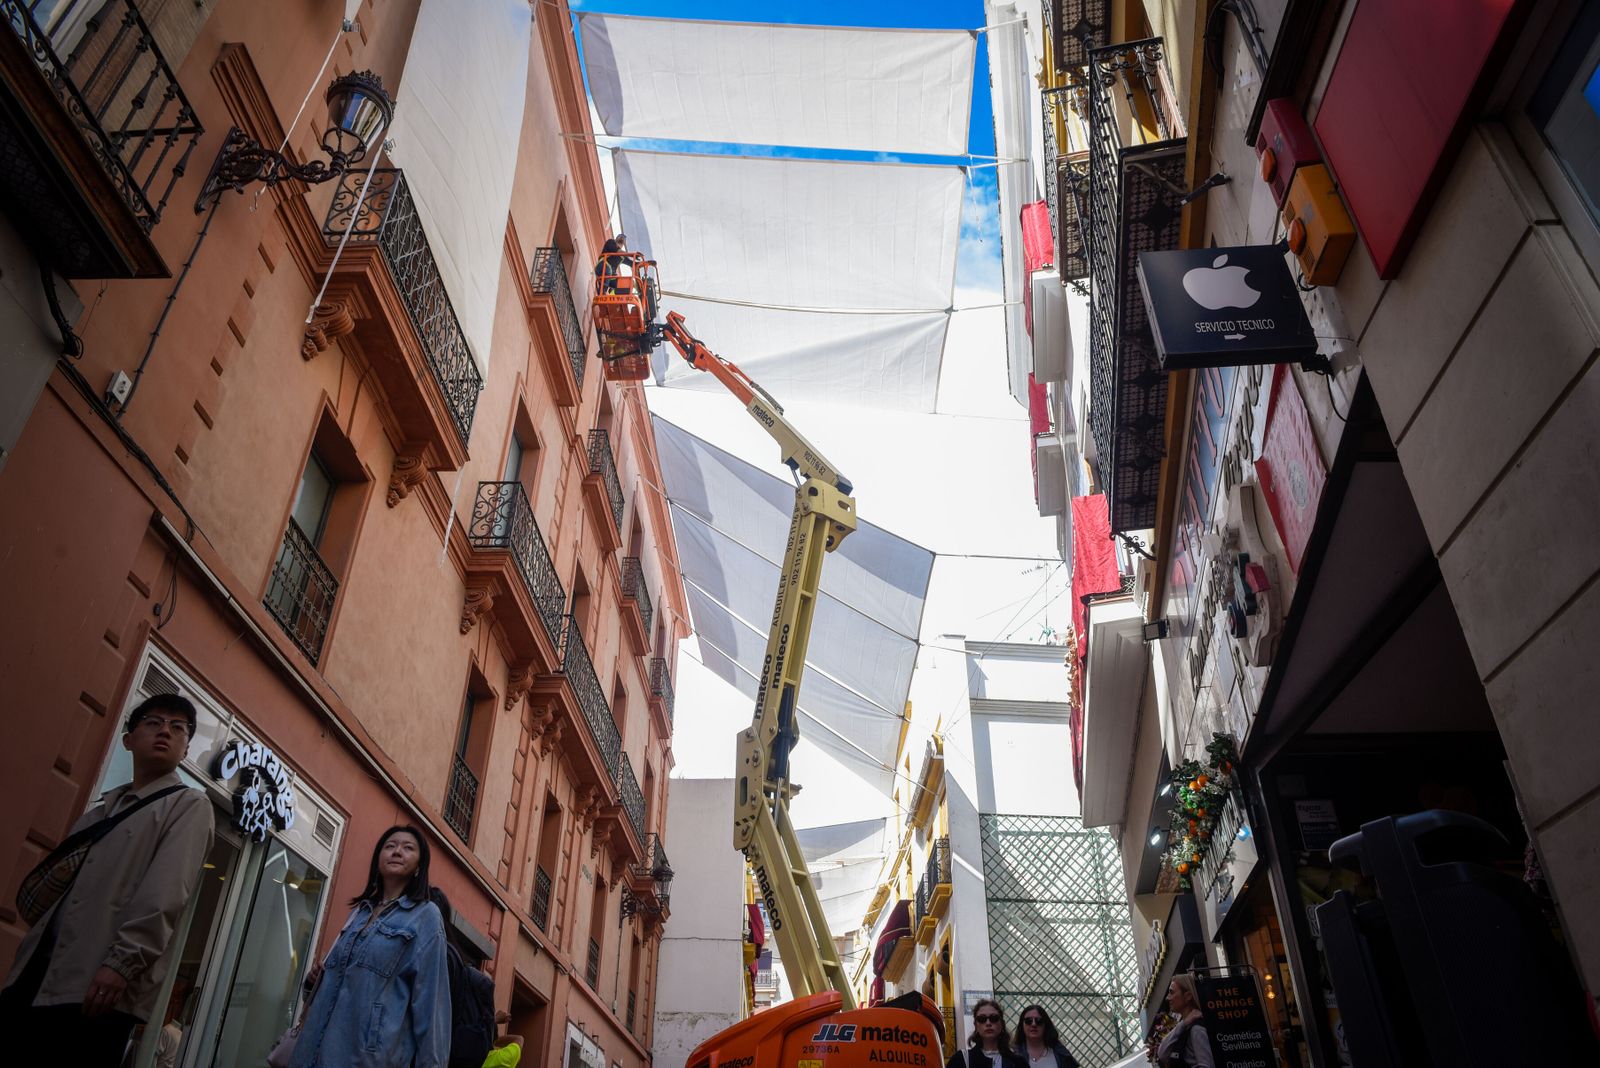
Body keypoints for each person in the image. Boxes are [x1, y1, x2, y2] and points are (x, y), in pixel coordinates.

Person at [0, 694, 214, 1067]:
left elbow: (165, 894)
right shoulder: (97, 815)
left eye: (178, 727)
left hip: (96, 990)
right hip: (35, 976)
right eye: (153, 722)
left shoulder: (189, 806)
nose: (165, 731)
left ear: (185, 750)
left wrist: (121, 964)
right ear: (128, 740)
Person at [290, 825, 451, 1068]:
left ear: (419, 866)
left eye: (408, 848)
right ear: (378, 859)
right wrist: (316, 982)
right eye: (390, 846)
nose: (397, 851)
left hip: (366, 1059)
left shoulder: (425, 916)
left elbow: (432, 1006)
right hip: (312, 1052)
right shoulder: (359, 912)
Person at [945, 998, 1027, 1068]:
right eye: (982, 1019)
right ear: (976, 1025)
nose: (988, 1023)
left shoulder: (1017, 1062)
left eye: (994, 1018)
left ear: (1001, 1024)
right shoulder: (961, 1059)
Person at [1154, 975, 1214, 1068]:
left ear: (1188, 996)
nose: (1168, 998)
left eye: (1171, 992)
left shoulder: (1196, 1029)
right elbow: (1162, 1053)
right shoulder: (1185, 1027)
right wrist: (1184, 1023)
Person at [1012, 1004, 1080, 1068]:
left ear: (1045, 1025)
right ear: (1022, 1025)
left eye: (1039, 1021)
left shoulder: (1060, 1054)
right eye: (1028, 1021)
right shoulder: (1013, 1054)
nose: (1033, 1024)